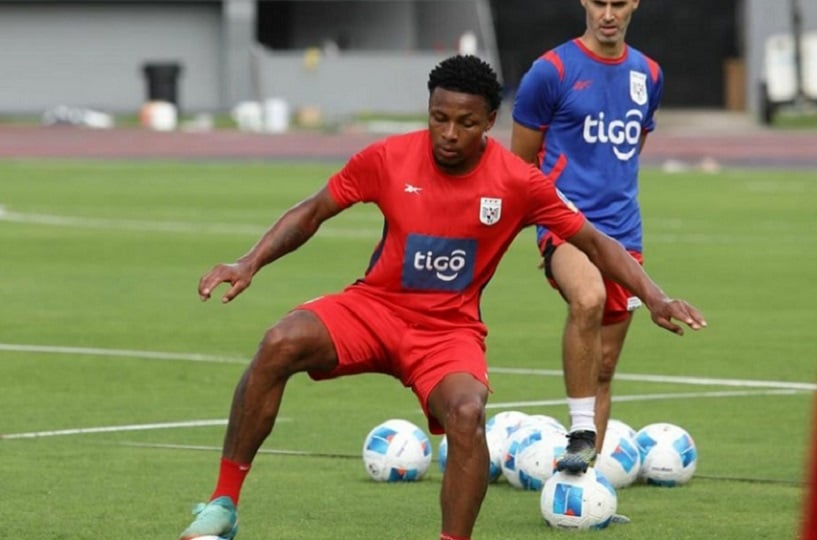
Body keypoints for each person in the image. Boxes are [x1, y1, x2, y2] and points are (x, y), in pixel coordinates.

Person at [179, 54, 704, 540]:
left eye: (466, 122)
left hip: (446, 332)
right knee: (280, 342)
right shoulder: (388, 158)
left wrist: (655, 297)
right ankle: (223, 503)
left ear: (490, 121)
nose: (449, 134)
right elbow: (312, 211)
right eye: (439, 118)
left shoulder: (519, 181)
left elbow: (594, 241)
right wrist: (249, 261)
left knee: (468, 412)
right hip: (372, 309)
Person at [510, 0, 661, 476]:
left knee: (606, 365)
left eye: (619, 3)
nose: (608, 13)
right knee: (589, 297)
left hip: (624, 232)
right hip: (565, 223)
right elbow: (519, 166)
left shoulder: (649, 74)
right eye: (600, 2)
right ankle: (579, 433)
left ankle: (581, 481)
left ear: (634, 3)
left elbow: (629, 150)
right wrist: (548, 227)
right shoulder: (550, 71)